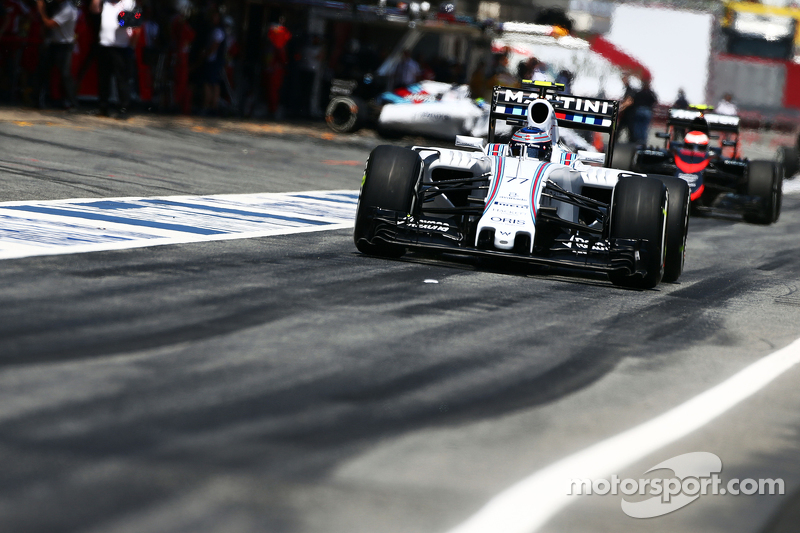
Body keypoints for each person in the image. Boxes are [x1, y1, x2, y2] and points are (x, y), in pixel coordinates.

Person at [90, 0, 138, 119]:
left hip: (121, 46)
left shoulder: (129, 2)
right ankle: (103, 107)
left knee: (121, 79)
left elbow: (136, 21)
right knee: (103, 78)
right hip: (104, 44)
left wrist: (132, 43)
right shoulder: (104, 3)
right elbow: (93, 10)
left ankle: (123, 108)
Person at [34, 0, 78, 109]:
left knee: (65, 74)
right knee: (43, 71)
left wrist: (41, 10)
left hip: (64, 45)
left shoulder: (68, 9)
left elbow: (50, 24)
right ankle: (39, 100)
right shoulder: (57, 6)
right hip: (53, 43)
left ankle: (72, 103)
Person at [201, 7, 225, 115]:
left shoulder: (218, 31)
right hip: (212, 60)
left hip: (213, 61)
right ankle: (210, 105)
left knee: (212, 83)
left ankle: (211, 105)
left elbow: (215, 46)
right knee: (210, 83)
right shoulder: (213, 30)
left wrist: (206, 55)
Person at [632, 77, 657, 144]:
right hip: (647, 110)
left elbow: (634, 100)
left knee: (638, 126)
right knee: (645, 127)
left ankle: (637, 139)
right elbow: (655, 101)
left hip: (639, 110)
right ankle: (643, 141)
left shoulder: (639, 92)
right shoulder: (650, 93)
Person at [616, 74, 636, 142]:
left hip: (629, 113)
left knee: (629, 128)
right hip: (626, 113)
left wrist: (621, 108)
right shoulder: (627, 89)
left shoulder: (629, 89)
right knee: (624, 128)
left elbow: (629, 101)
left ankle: (632, 141)